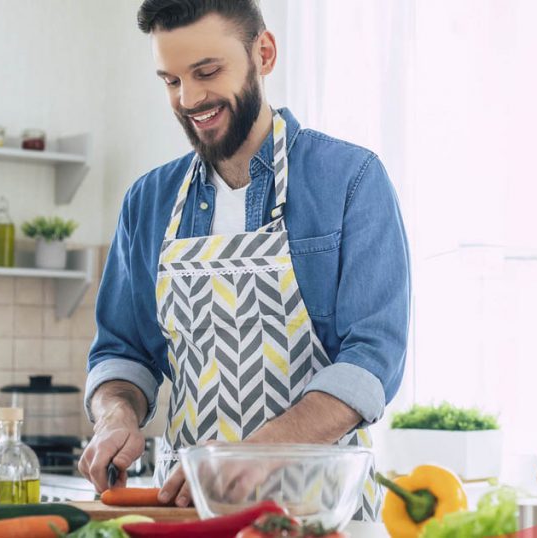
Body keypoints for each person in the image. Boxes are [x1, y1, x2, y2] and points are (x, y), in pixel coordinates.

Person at [77, 0, 410, 521]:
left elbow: (372, 359)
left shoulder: (351, 180)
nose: (189, 99)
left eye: (207, 72)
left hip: (317, 515)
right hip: (189, 514)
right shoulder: (148, 202)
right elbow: (123, 352)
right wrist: (114, 415)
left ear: (264, 53)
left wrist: (252, 457)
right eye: (171, 81)